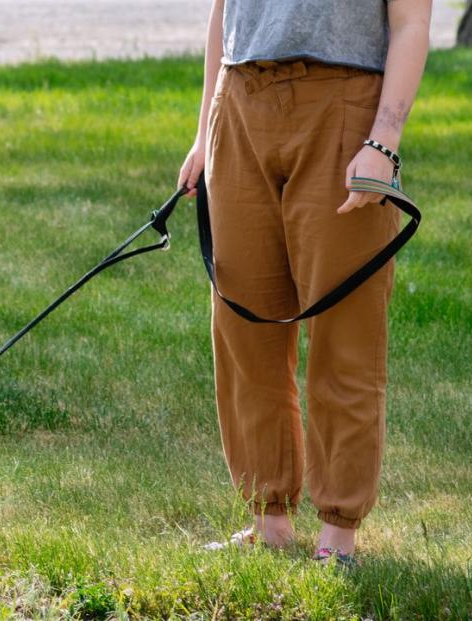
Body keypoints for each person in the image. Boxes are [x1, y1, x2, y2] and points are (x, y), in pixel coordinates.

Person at [177, 0, 431, 566]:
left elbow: (411, 21)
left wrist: (384, 140)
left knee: (345, 331)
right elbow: (225, 12)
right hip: (238, 105)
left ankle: (338, 532)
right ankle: (269, 519)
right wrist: (204, 133)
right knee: (244, 326)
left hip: (344, 106)